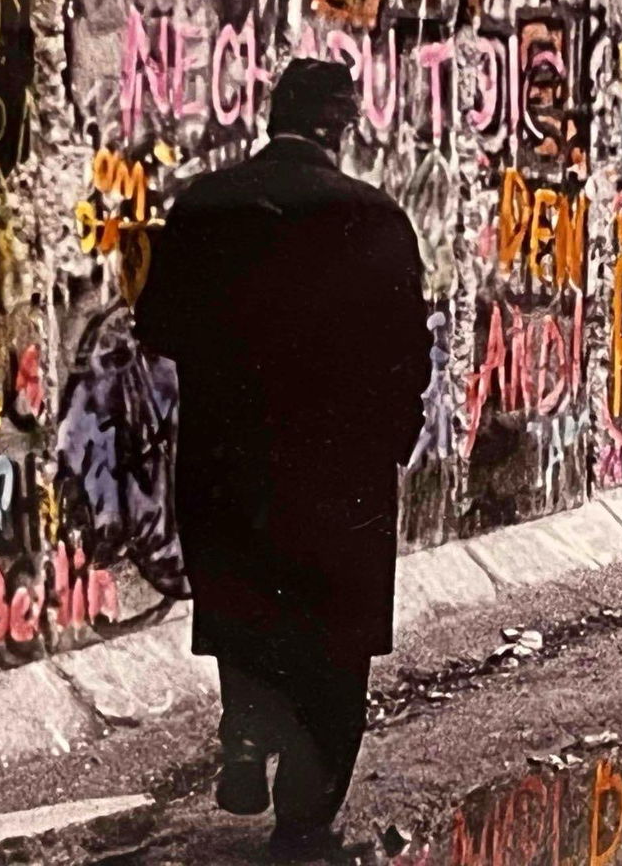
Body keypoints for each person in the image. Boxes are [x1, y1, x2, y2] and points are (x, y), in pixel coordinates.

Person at [133, 59, 431, 861]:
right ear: (340, 125)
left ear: (273, 117)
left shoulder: (204, 206)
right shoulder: (373, 219)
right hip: (341, 474)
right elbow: (410, 350)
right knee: (333, 646)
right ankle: (304, 817)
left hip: (230, 462)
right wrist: (391, 443)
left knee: (244, 603)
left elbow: (156, 325)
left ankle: (245, 728)